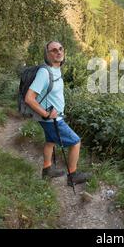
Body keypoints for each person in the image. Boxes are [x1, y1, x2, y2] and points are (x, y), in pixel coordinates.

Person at [24, 40, 91, 184]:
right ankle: (72, 175)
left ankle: (47, 170)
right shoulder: (44, 72)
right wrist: (46, 114)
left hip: (52, 118)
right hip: (52, 119)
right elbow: (29, 98)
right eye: (53, 50)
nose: (58, 52)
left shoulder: (56, 69)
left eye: (60, 48)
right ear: (47, 55)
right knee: (75, 142)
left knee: (50, 142)